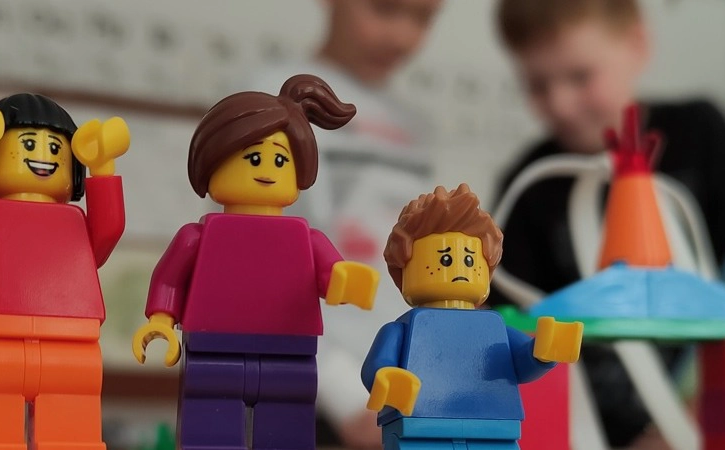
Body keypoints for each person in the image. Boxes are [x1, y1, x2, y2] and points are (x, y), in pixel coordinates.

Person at [489, 0, 725, 447]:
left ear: (637, 43)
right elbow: (509, 328)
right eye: (536, 84)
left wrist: (691, 418)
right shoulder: (528, 182)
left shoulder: (703, 135)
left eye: (580, 76)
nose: (560, 104)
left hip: (712, 420)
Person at [131, 75, 379, 450]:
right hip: (212, 350)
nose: (266, 169)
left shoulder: (307, 239)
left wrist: (346, 283)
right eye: (252, 157)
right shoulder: (197, 237)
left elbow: (332, 274)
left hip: (290, 354)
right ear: (212, 162)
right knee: (209, 434)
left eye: (280, 159)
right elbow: (169, 280)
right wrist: (161, 321)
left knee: (285, 432)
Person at [245, 1, 444, 447]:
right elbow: (252, 267)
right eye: (385, 8)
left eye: (423, 17)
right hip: (309, 395)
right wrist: (347, 398)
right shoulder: (267, 97)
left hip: (401, 393)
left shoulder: (414, 128)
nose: (402, 36)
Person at [0, 94, 128, 450]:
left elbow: (108, 232)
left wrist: (104, 170)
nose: (44, 156)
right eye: (28, 143)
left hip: (72, 334)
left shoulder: (74, 221)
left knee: (70, 428)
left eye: (56, 148)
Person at [363, 183, 583, 449]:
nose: (459, 268)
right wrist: (387, 380)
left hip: (494, 427)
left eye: (469, 260)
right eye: (445, 259)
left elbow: (522, 362)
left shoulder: (494, 327)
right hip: (419, 428)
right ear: (405, 269)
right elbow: (376, 367)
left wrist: (543, 352)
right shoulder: (402, 330)